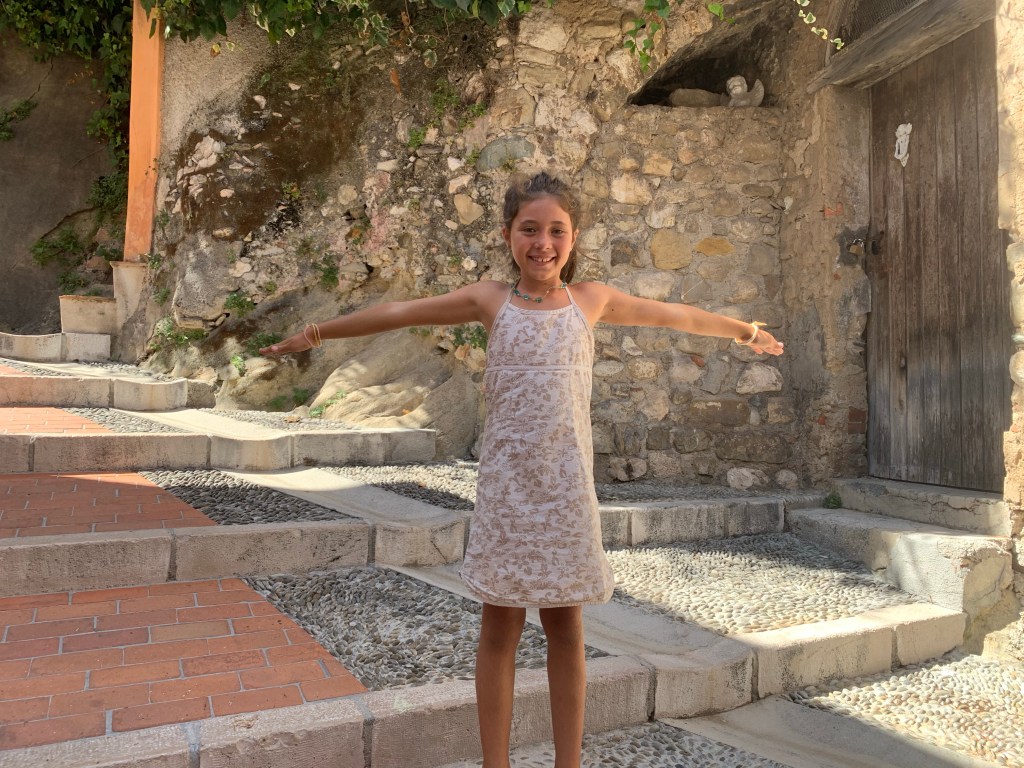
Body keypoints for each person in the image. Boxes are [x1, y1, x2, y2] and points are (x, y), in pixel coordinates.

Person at [260, 171, 783, 768]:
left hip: (565, 494)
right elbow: (402, 312)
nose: (543, 243)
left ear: (574, 237)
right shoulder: (491, 301)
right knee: (498, 632)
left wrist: (744, 331)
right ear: (508, 234)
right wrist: (316, 333)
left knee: (567, 633)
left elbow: (673, 316)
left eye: (556, 230)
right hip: (507, 496)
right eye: (529, 229)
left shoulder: (591, 300)